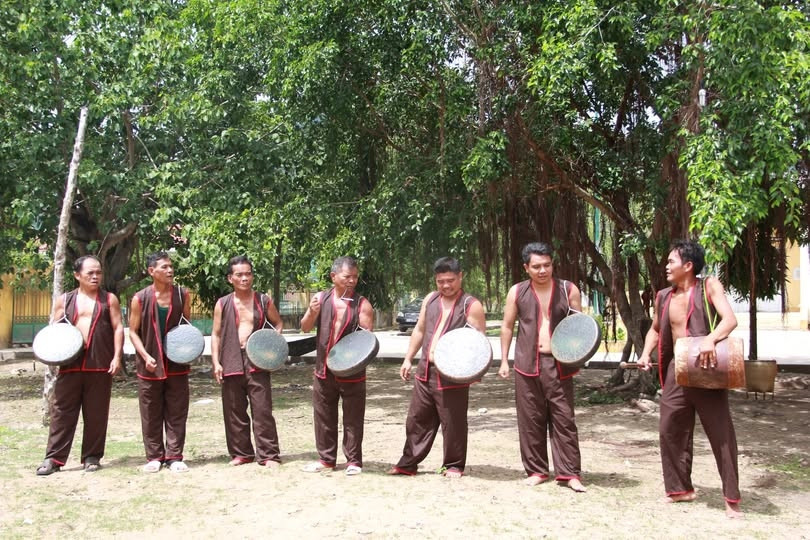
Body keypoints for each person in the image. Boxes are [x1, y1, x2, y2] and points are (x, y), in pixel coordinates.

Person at [638, 240, 742, 518]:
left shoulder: (709, 285)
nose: (666, 266)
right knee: (669, 428)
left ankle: (731, 498)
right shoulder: (663, 296)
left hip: (708, 368)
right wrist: (646, 354)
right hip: (676, 370)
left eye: (671, 261)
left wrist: (710, 339)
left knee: (720, 433)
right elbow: (656, 330)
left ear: (688, 265)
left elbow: (729, 320)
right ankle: (680, 489)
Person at [498, 242, 586, 492]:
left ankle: (570, 473)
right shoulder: (517, 292)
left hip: (560, 365)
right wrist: (504, 360)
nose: (542, 270)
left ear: (552, 264)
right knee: (530, 419)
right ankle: (537, 470)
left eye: (547, 265)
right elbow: (507, 326)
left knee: (564, 418)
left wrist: (577, 354)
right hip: (527, 363)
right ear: (526, 268)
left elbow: (578, 327)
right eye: (536, 266)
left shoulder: (568, 289)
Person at [387, 257, 486, 478]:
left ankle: (453, 465)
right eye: (441, 281)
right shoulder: (430, 300)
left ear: (461, 277)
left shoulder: (471, 305)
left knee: (453, 422)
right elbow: (420, 330)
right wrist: (408, 358)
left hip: (453, 373)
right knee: (416, 418)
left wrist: (473, 373)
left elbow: (478, 344)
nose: (446, 285)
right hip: (425, 370)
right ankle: (408, 463)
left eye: (450, 280)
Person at [36, 256, 124, 475]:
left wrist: (117, 357)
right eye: (90, 273)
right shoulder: (64, 300)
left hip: (99, 363)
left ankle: (92, 456)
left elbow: (118, 328)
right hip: (70, 365)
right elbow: (55, 332)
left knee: (96, 413)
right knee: (62, 412)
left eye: (99, 273)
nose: (95, 277)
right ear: (77, 275)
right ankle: (54, 459)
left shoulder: (109, 299)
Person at [299, 256, 374, 475]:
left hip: (352, 371)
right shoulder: (320, 299)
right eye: (346, 276)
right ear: (334, 276)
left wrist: (351, 359)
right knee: (323, 416)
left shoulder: (362, 304)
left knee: (353, 417)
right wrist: (312, 312)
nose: (351, 281)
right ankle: (326, 460)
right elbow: (304, 327)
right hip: (324, 370)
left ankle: (353, 461)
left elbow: (365, 341)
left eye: (355, 277)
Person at [211, 255, 284, 468]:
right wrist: (216, 362)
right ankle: (242, 453)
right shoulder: (222, 304)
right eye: (239, 275)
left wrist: (271, 347)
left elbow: (278, 324)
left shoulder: (263, 300)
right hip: (231, 359)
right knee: (234, 410)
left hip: (258, 361)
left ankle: (269, 455)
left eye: (248, 274)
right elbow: (215, 335)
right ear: (230, 278)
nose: (245, 278)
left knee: (262, 410)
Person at [128, 251, 192, 473]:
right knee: (150, 410)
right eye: (164, 267)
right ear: (151, 271)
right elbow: (133, 332)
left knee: (177, 410)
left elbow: (186, 327)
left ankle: (174, 456)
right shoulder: (140, 298)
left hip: (176, 363)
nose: (170, 270)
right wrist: (145, 356)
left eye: (171, 266)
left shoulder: (183, 295)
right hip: (150, 364)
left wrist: (186, 351)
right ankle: (154, 457)